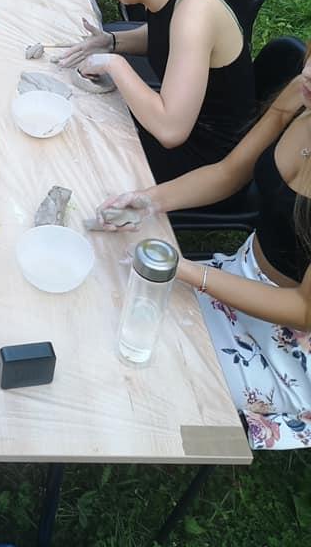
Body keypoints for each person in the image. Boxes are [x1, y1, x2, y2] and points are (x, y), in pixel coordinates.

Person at [99, 54, 311, 449]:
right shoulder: (302, 95)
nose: (308, 72)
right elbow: (229, 172)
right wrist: (148, 200)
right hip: (241, 273)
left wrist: (191, 272)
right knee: (116, 306)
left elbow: (303, 308)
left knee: (152, 369)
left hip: (291, 346)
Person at [58, 0, 256, 184]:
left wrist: (113, 63)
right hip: (185, 120)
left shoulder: (194, 14)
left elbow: (171, 131)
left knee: (76, 151)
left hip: (208, 156)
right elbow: (163, 33)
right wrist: (111, 41)